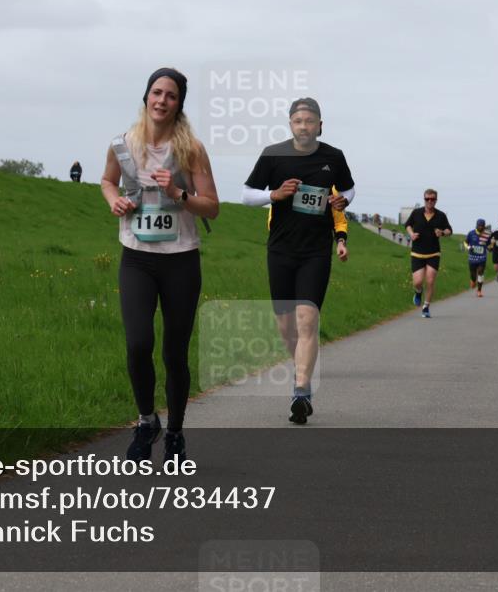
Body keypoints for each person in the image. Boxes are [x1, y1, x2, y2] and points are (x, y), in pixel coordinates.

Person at [100, 67, 219, 462]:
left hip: (181, 260)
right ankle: (146, 420)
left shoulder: (191, 150)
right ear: (146, 97)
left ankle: (175, 433)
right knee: (137, 344)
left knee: (174, 353)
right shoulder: (123, 144)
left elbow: (212, 208)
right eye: (157, 92)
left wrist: (177, 191)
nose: (162, 100)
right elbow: (107, 181)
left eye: (171, 95)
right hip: (137, 257)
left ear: (179, 104)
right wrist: (113, 200)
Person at [243, 97, 355, 424]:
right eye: (298, 121)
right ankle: (299, 369)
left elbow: (349, 190)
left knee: (308, 319)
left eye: (309, 121)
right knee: (286, 327)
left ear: (320, 125)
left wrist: (341, 200)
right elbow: (247, 194)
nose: (304, 126)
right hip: (280, 250)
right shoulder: (273, 155)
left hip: (316, 251)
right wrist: (273, 195)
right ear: (290, 124)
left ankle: (301, 391)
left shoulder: (333, 157)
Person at [405, 189, 452, 318]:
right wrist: (411, 234)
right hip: (417, 253)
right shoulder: (416, 213)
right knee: (418, 282)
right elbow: (408, 225)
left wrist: (442, 233)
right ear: (424, 199)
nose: (430, 201)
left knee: (430, 280)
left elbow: (449, 230)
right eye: (427, 199)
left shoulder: (441, 215)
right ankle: (418, 292)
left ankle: (426, 307)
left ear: (436, 200)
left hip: (433, 253)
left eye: (432, 199)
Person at [464, 218, 492, 297]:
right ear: (476, 225)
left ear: (484, 226)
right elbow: (465, 242)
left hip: (482, 258)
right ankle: (473, 281)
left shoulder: (487, 235)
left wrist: (490, 247)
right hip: (472, 258)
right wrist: (469, 248)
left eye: (482, 226)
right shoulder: (471, 233)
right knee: (473, 275)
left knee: (480, 272)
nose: (480, 227)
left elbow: (489, 245)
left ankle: (479, 291)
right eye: (479, 226)